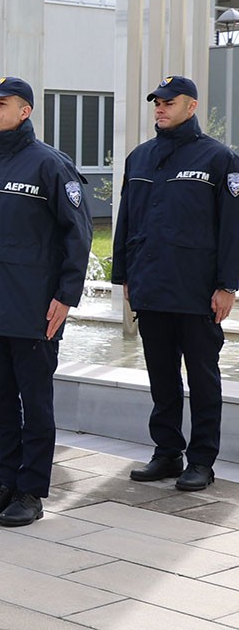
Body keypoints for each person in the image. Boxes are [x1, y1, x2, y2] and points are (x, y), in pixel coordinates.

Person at [0, 76, 92, 527]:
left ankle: (31, 491)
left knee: (34, 404)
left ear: (25, 111)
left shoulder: (49, 165)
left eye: (2, 104)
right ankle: (6, 483)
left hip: (32, 310)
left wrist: (65, 296)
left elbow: (78, 234)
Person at [113, 76, 239, 493]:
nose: (160, 108)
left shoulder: (219, 158)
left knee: (202, 379)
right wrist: (125, 275)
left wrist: (228, 286)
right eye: (157, 102)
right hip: (151, 287)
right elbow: (126, 219)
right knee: (161, 376)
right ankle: (166, 452)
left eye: (169, 102)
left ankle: (201, 460)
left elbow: (231, 228)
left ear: (192, 106)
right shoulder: (140, 158)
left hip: (196, 290)